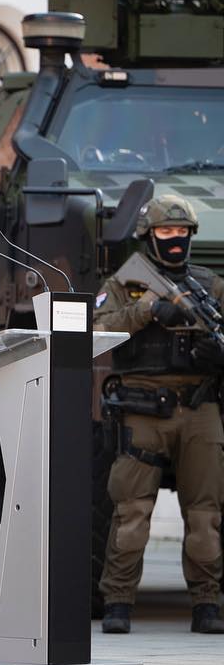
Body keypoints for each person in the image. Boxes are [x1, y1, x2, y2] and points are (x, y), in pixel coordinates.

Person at [95, 194, 224, 635]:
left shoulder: (210, 284)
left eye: (181, 233)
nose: (175, 241)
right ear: (149, 237)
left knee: (206, 514)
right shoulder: (125, 282)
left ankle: (207, 603)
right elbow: (96, 330)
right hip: (143, 409)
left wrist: (214, 356)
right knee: (131, 513)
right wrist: (147, 310)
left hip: (199, 408)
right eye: (166, 233)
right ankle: (117, 602)